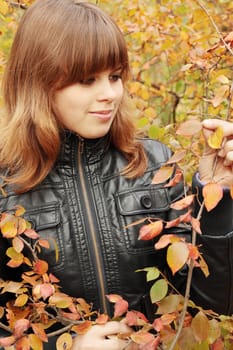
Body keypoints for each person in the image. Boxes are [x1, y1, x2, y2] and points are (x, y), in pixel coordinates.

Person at [0, 0, 233, 349]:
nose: (109, 94)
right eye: (86, 80)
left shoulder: (152, 162)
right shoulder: (6, 186)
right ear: (39, 82)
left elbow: (212, 301)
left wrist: (215, 195)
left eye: (114, 76)